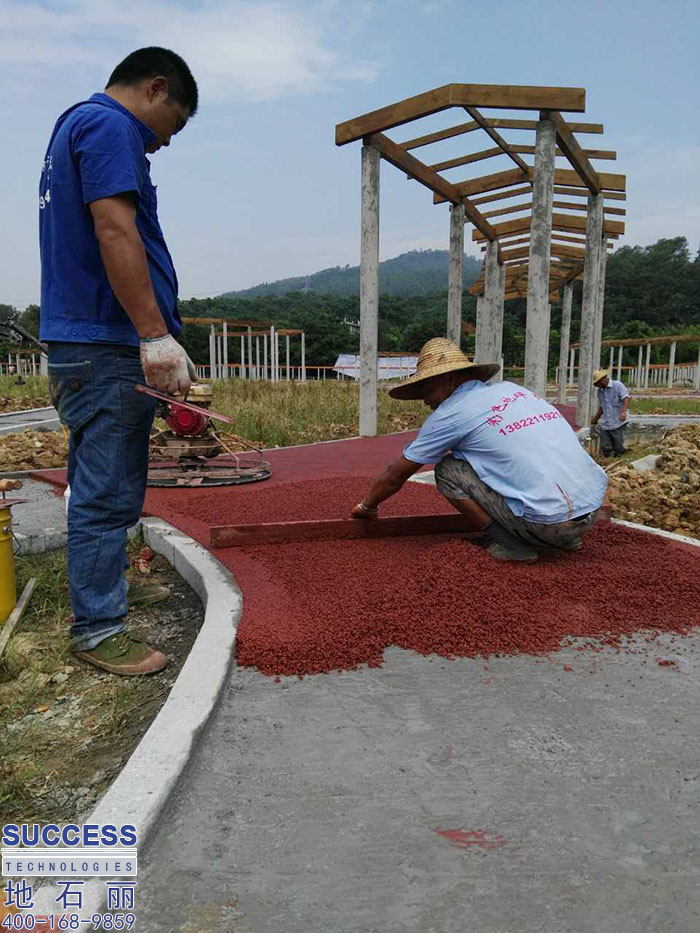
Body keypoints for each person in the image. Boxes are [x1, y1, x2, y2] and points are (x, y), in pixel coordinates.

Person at [39, 47, 198, 675]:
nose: (167, 142)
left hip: (89, 340)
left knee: (104, 482)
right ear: (156, 88)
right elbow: (114, 229)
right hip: (105, 342)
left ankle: (105, 593)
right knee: (105, 494)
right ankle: (98, 629)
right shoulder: (108, 126)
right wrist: (154, 335)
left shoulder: (74, 125)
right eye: (173, 123)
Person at [351, 338, 608, 564]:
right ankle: (567, 538)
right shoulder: (514, 390)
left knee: (447, 469)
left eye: (427, 389)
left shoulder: (450, 414)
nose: (426, 400)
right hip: (592, 512)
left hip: (548, 524)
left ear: (449, 378)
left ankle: (510, 544)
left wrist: (367, 506)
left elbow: (396, 474)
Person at [591, 368, 630, 458]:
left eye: (598, 384)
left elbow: (626, 398)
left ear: (603, 380)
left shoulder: (617, 385)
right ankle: (608, 458)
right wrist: (595, 419)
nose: (598, 386)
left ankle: (619, 457)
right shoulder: (600, 392)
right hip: (607, 422)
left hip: (618, 421)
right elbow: (602, 406)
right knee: (606, 446)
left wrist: (623, 412)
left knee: (618, 446)